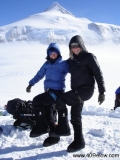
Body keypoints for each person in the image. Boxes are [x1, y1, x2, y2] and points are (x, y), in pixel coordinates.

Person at [53, 35, 106, 152]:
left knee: (61, 99)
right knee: (75, 116)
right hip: (76, 91)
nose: (75, 49)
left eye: (77, 46)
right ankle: (79, 141)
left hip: (86, 90)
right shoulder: (71, 60)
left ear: (81, 45)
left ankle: (64, 128)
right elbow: (60, 65)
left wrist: (102, 92)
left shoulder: (89, 57)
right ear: (70, 48)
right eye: (72, 47)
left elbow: (98, 74)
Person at [26, 42, 69, 146]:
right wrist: (31, 84)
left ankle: (41, 126)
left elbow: (75, 71)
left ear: (58, 53)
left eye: (55, 53)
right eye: (51, 53)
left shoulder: (63, 63)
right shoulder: (47, 64)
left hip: (57, 92)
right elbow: (39, 75)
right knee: (47, 112)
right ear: (48, 54)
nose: (53, 54)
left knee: (37, 101)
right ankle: (54, 136)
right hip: (49, 92)